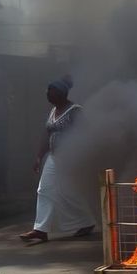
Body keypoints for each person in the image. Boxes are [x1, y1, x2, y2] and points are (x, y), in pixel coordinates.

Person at [19, 76, 95, 242]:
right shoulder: (53, 111)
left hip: (69, 158)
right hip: (53, 157)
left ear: (61, 93)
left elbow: (85, 134)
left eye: (51, 91)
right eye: (48, 91)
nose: (48, 94)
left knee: (69, 192)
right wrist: (39, 157)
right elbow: (47, 135)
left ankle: (86, 222)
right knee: (44, 190)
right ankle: (40, 230)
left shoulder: (75, 111)